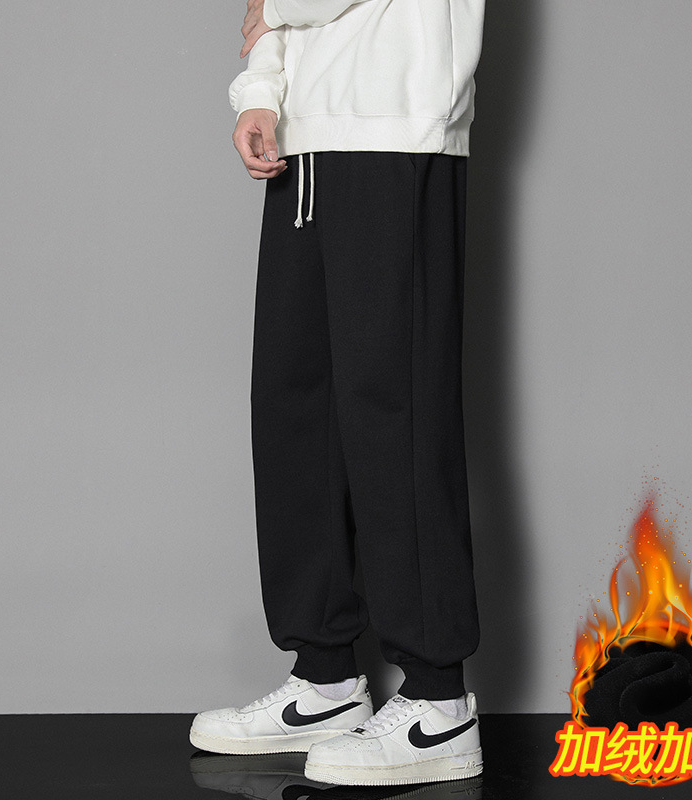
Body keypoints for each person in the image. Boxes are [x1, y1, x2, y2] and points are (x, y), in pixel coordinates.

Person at [190, 0, 488, 786]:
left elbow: (271, 4)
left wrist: (273, 6)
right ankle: (325, 679)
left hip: (399, 129)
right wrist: (261, 93)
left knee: (398, 409)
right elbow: (268, 14)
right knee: (298, 408)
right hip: (308, 139)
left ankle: (439, 703)